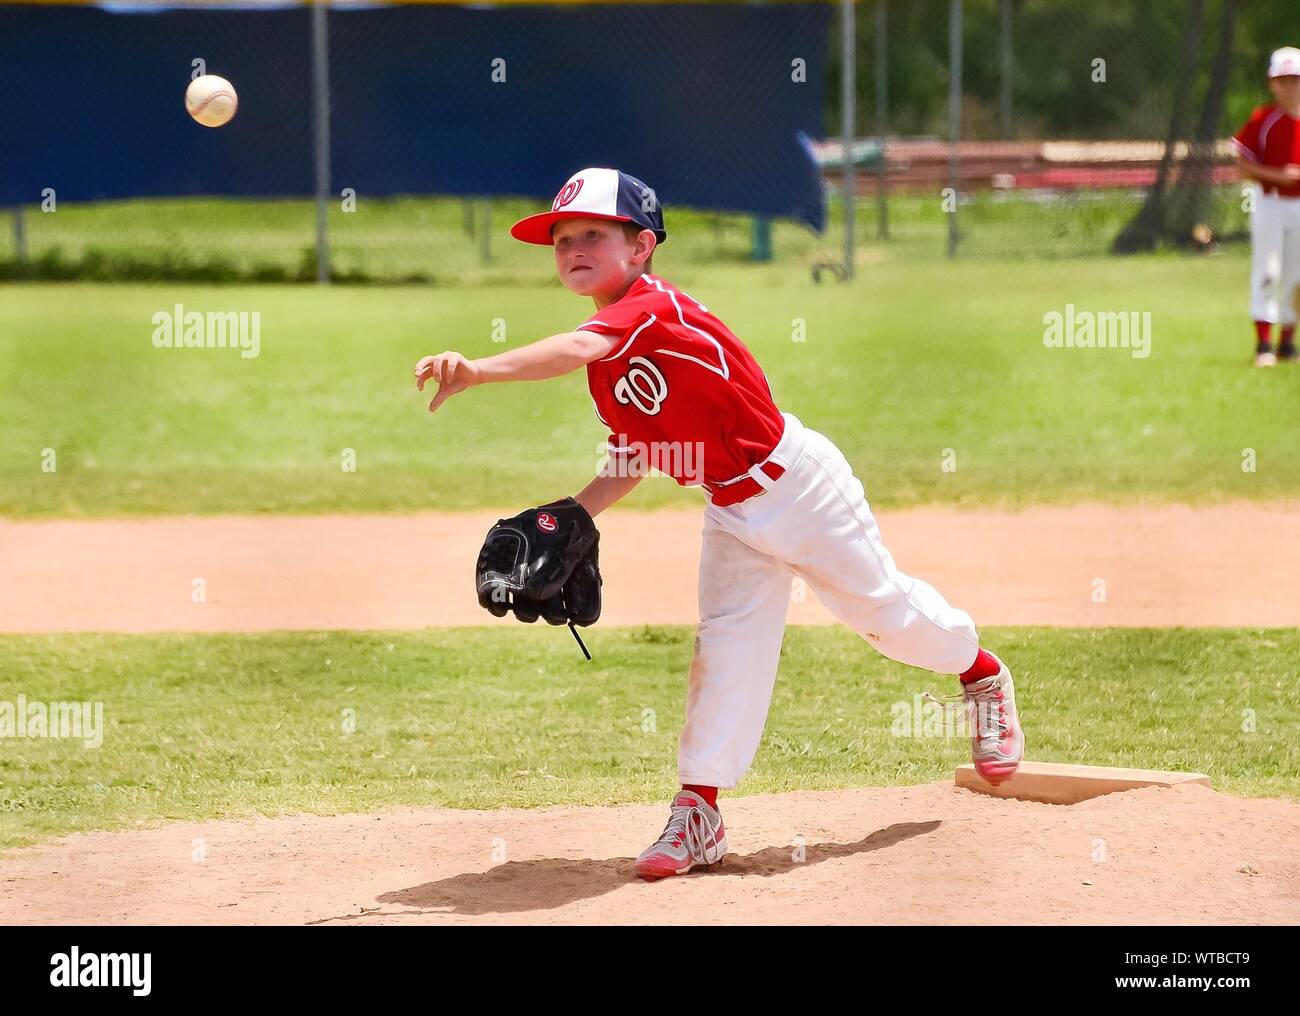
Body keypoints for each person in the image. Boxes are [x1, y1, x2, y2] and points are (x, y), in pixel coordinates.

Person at [413, 168, 1024, 881]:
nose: (573, 247)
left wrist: (478, 371)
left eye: (593, 235)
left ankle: (982, 676)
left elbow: (579, 346)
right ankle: (698, 811)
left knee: (885, 616)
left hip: (799, 489)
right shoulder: (611, 366)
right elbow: (640, 447)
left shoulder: (649, 309)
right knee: (725, 649)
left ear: (641, 247)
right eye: (562, 239)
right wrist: (573, 514)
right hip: (731, 510)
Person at [1232, 47, 1300, 367]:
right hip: (1271, 202)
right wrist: (1279, 175)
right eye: (1283, 80)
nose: (1290, 87)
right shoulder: (1264, 119)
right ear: (1272, 84)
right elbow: (1243, 166)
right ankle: (1264, 345)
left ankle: (1288, 343)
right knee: (1269, 270)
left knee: (1296, 275)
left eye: (1295, 79)